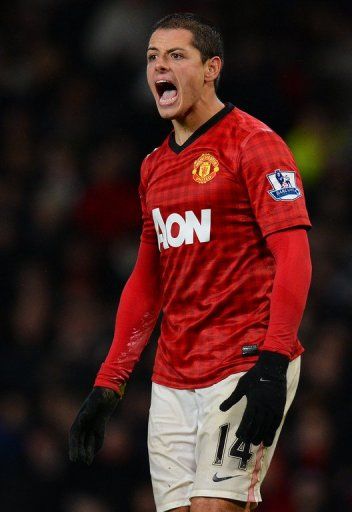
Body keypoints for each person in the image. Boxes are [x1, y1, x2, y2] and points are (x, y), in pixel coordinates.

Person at [69, 13, 312, 512]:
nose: (160, 66)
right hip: (173, 377)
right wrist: (108, 384)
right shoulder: (154, 167)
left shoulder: (254, 144)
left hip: (244, 361)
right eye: (152, 58)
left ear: (211, 68)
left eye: (176, 55)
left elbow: (294, 254)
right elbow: (147, 280)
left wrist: (272, 361)